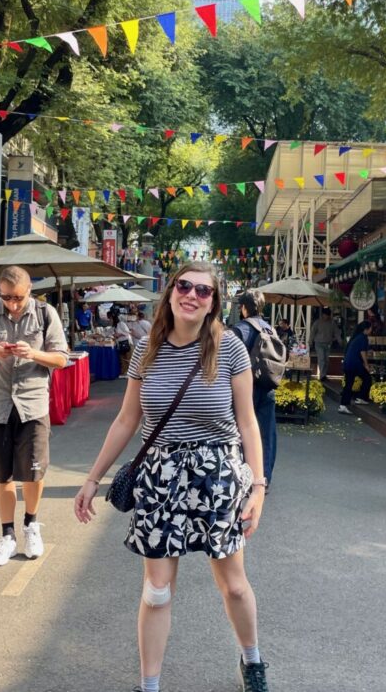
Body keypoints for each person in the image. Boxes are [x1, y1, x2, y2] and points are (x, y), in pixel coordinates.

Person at [74, 263, 269, 692]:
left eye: (204, 291)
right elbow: (127, 419)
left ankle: (252, 660)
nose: (192, 295)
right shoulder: (147, 349)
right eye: (184, 286)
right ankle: (150, 685)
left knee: (233, 586)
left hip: (216, 473)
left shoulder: (230, 347)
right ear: (171, 292)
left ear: (214, 302)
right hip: (159, 474)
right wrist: (93, 478)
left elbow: (249, 422)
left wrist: (258, 487)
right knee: (157, 590)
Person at [0, 266, 69, 567]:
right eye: (7, 297)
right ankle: (7, 535)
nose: (13, 304)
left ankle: (31, 524)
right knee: (2, 474)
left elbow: (62, 358)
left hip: (33, 405)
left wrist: (33, 353)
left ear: (29, 291)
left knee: (33, 472)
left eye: (18, 298)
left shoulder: (46, 314)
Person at [229, 289, 279, 487]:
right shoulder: (270, 329)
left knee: (238, 431)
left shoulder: (239, 329)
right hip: (268, 386)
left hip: (244, 389)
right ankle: (264, 477)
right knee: (267, 433)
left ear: (243, 308)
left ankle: (240, 474)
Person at [338, 321, 372, 414]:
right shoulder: (363, 338)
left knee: (350, 383)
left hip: (349, 363)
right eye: (370, 328)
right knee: (366, 378)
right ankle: (354, 400)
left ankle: (347, 403)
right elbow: (362, 352)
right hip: (354, 364)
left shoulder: (356, 337)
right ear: (366, 329)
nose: (371, 330)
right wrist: (366, 364)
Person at [309, 307, 340, 379]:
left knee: (326, 360)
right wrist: (310, 341)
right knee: (321, 359)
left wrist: (339, 340)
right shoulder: (317, 322)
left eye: (328, 315)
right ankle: (322, 375)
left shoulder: (332, 323)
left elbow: (336, 332)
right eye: (325, 315)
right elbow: (312, 332)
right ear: (323, 315)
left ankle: (324, 374)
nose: (326, 317)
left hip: (328, 343)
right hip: (319, 343)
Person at [113, 309, 134, 375]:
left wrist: (119, 334)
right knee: (122, 359)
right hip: (120, 343)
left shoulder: (121, 324)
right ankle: (124, 371)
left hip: (126, 342)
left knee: (128, 358)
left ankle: (131, 372)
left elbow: (127, 332)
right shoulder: (114, 326)